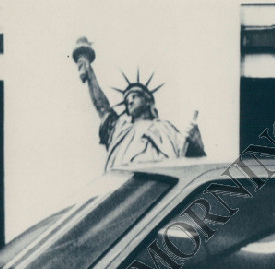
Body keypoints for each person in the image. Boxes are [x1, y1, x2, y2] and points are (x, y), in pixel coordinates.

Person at [73, 37, 205, 170]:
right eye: (126, 101)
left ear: (148, 101)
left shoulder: (166, 128)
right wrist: (89, 72)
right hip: (127, 180)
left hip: (161, 179)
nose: (130, 102)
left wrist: (195, 144)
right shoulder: (120, 128)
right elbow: (101, 105)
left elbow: (188, 159)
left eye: (134, 96)